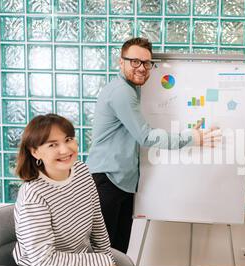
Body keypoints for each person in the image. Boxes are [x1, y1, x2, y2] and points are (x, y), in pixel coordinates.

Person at [87, 37, 219, 253]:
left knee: (117, 253)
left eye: (147, 63)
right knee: (103, 256)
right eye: (135, 62)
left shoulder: (132, 89)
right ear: (121, 62)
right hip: (107, 181)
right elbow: (146, 137)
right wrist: (192, 138)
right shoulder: (121, 91)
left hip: (121, 183)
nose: (142, 68)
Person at [13, 114, 117, 266]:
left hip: (79, 262)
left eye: (68, 139)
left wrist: (109, 261)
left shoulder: (82, 171)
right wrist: (102, 260)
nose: (65, 150)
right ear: (35, 152)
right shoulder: (33, 195)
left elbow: (97, 222)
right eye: (52, 145)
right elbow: (44, 262)